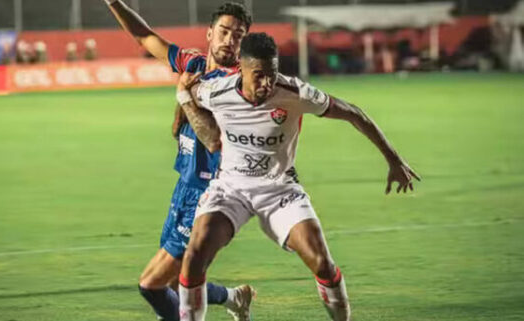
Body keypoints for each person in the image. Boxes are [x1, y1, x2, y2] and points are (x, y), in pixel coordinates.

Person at [175, 32, 421, 321]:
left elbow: (354, 113)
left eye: (272, 73)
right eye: (259, 76)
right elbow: (189, 96)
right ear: (240, 68)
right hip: (231, 188)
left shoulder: (294, 92)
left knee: (322, 263)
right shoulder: (216, 91)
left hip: (280, 189)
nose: (267, 83)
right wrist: (182, 101)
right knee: (194, 258)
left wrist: (393, 159)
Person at [103, 1, 255, 320]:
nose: (230, 40)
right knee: (175, 281)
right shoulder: (193, 62)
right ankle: (234, 298)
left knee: (152, 285)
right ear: (210, 33)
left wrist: (183, 100)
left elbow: (215, 140)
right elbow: (145, 37)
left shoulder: (237, 85)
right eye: (225, 31)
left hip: (209, 194)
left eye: (238, 36)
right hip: (184, 185)